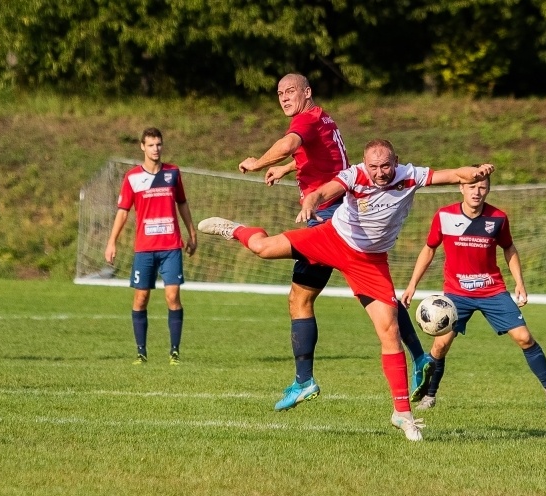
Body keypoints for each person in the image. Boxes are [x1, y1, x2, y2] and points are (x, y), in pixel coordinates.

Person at [198, 139, 494, 441]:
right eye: (374, 166)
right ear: (365, 164)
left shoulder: (410, 175)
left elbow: (455, 174)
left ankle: (402, 414)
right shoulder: (355, 175)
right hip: (332, 238)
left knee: (389, 330)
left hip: (369, 263)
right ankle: (233, 229)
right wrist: (312, 201)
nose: (380, 172)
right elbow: (327, 191)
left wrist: (477, 171)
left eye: (386, 165)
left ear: (396, 161)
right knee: (262, 247)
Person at [237, 73, 430, 412]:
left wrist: (258, 162)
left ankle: (304, 381)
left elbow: (290, 145)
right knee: (377, 294)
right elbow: (324, 159)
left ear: (307, 93)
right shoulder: (324, 117)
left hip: (329, 222)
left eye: (291, 91)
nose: (284, 98)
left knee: (298, 296)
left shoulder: (305, 120)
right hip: (341, 215)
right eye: (279, 93)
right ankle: (419, 357)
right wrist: (285, 170)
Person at [400, 175, 546, 411]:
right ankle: (429, 396)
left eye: (482, 187)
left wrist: (519, 282)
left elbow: (509, 248)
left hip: (492, 290)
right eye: (472, 186)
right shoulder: (444, 216)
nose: (476, 192)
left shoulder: (498, 218)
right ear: (461, 187)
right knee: (440, 347)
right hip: (456, 294)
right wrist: (412, 284)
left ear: (488, 190)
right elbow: (429, 249)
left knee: (525, 338)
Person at [104, 127, 198, 365]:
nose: (156, 149)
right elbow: (123, 213)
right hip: (144, 249)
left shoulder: (173, 173)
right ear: (142, 147)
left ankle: (174, 352)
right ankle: (141, 352)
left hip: (170, 247)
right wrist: (111, 241)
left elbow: (183, 204)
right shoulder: (132, 177)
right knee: (141, 299)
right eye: (151, 145)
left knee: (173, 296)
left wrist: (192, 233)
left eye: (159, 144)